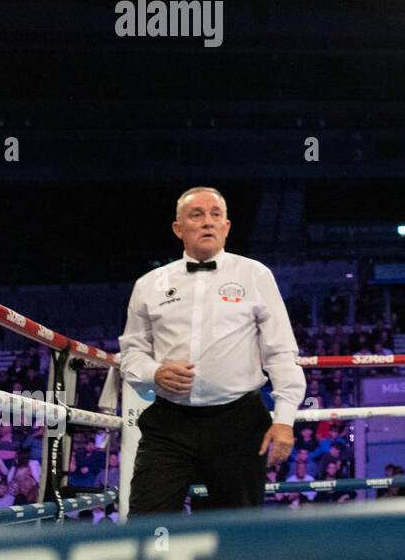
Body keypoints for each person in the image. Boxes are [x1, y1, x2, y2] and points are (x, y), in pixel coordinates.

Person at [118, 186, 305, 513]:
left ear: (226, 226)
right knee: (148, 522)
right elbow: (132, 352)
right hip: (169, 424)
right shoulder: (148, 285)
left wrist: (285, 419)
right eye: (196, 215)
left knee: (236, 534)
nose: (207, 222)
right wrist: (154, 373)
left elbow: (281, 352)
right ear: (179, 228)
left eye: (215, 215)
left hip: (239, 423)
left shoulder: (255, 275)